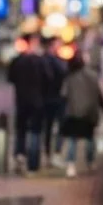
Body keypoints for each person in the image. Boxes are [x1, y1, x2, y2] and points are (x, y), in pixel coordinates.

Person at [60, 52, 103, 177]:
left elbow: (64, 95)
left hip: (73, 113)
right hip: (90, 112)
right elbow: (99, 94)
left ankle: (71, 165)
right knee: (90, 138)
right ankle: (90, 162)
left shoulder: (69, 78)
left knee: (72, 140)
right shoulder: (92, 75)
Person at [6, 35, 48, 172]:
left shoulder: (16, 61)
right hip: (38, 100)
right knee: (35, 131)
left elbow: (10, 78)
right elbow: (49, 78)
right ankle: (33, 163)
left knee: (21, 130)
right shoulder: (40, 61)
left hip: (21, 100)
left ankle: (19, 156)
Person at [40, 38, 67, 166]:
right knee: (59, 127)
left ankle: (47, 154)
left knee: (48, 128)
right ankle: (56, 153)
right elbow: (64, 74)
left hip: (46, 98)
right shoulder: (57, 61)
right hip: (56, 97)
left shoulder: (41, 60)